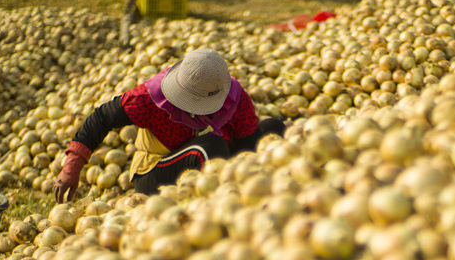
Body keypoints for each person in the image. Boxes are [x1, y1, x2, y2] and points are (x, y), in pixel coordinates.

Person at [54, 48, 285, 203]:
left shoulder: (235, 98)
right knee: (210, 147)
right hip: (156, 172)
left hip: (217, 162)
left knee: (272, 129)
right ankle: (219, 205)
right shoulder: (150, 99)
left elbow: (249, 142)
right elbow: (101, 118)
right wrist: (71, 169)